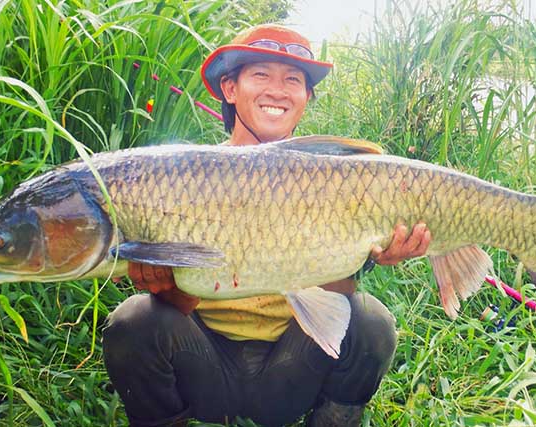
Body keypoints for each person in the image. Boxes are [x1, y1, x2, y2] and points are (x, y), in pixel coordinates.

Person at [102, 24, 431, 427]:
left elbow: (334, 303)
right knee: (133, 320)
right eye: (261, 75)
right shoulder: (181, 180)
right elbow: (178, 311)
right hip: (207, 369)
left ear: (306, 98)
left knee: (371, 322)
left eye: (293, 80)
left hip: (291, 370)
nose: (277, 90)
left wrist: (365, 260)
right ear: (229, 88)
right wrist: (164, 284)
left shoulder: (339, 180)